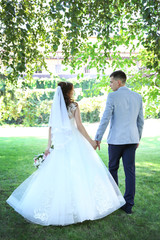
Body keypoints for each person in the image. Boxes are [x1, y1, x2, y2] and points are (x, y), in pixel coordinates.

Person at [6, 81, 125, 226]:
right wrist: (91, 142)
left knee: (60, 174)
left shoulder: (55, 106)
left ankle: (64, 208)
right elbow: (79, 126)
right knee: (81, 172)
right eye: (72, 90)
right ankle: (83, 208)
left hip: (61, 145)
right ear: (68, 92)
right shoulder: (74, 106)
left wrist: (48, 147)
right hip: (75, 142)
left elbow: (50, 128)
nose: (73, 92)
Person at [95, 70, 144, 214]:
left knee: (113, 169)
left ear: (118, 82)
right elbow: (140, 121)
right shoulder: (137, 96)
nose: (110, 85)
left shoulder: (113, 96)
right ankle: (128, 205)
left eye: (111, 82)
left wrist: (98, 137)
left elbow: (105, 118)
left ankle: (114, 201)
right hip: (131, 140)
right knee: (130, 172)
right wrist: (137, 138)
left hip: (116, 141)